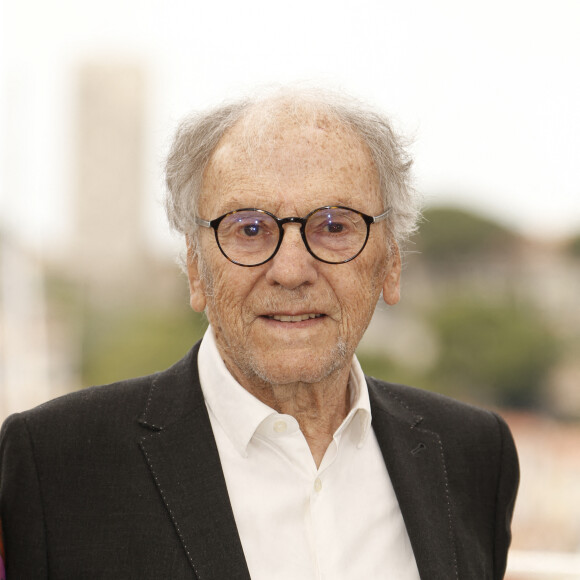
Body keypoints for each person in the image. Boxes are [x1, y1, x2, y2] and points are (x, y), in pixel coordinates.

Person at [0, 88, 519, 579]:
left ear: (392, 263)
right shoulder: (54, 465)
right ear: (196, 269)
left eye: (334, 226)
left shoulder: (473, 455)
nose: (291, 270)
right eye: (249, 229)